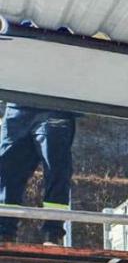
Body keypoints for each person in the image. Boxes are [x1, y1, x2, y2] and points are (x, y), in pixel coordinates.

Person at [0, 102, 75, 244]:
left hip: (55, 106)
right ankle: (4, 231)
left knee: (56, 170)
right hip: (16, 108)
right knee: (6, 172)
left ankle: (53, 233)